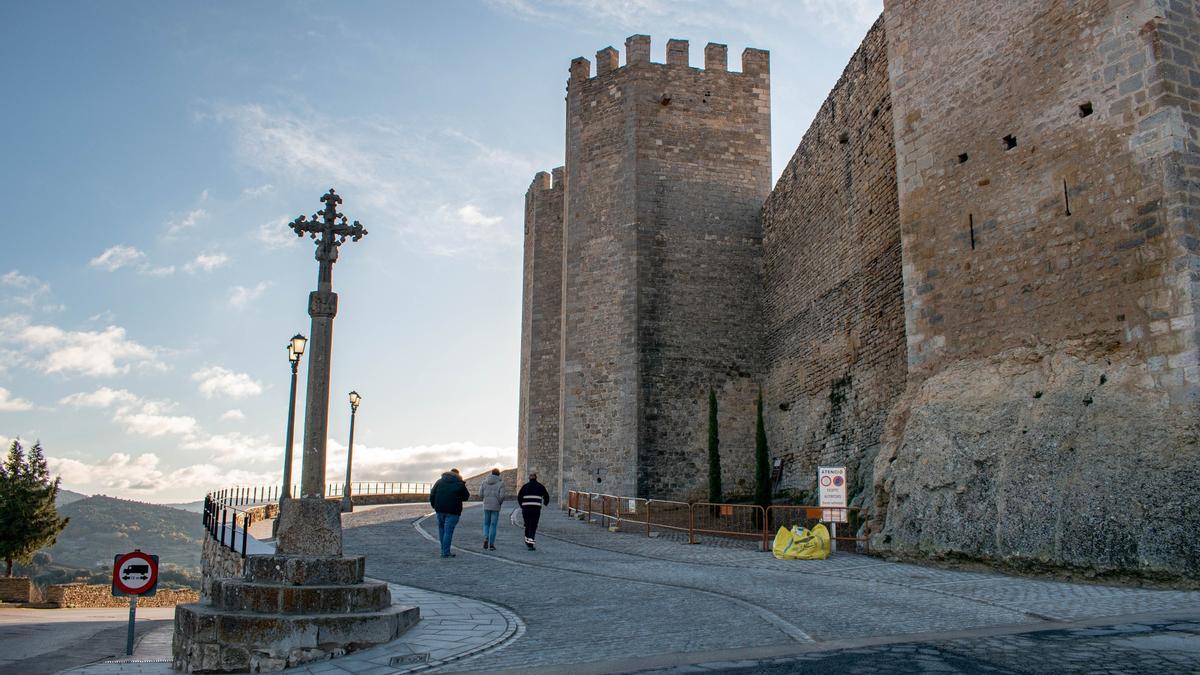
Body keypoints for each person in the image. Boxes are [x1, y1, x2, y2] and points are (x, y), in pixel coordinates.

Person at [429, 468, 470, 558]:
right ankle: (445, 552)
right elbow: (466, 497)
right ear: (458, 475)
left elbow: (432, 494)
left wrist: (434, 506)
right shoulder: (459, 484)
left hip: (440, 509)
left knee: (441, 529)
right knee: (448, 531)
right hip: (453, 511)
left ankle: (443, 550)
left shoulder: (439, 481)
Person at [517, 471, 550, 550]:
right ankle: (530, 544)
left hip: (526, 509)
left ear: (529, 478)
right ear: (536, 478)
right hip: (536, 509)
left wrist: (522, 505)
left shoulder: (525, 486)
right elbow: (546, 495)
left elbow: (519, 497)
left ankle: (527, 540)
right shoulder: (540, 486)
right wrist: (545, 503)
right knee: (533, 525)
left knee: (527, 525)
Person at [479, 468, 505, 550]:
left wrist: (485, 499)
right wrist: (499, 502)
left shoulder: (484, 482)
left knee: (486, 523)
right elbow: (502, 496)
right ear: (498, 474)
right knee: (493, 525)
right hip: (496, 506)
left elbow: (480, 494)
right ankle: (491, 544)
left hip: (486, 506)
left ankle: (486, 537)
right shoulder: (501, 483)